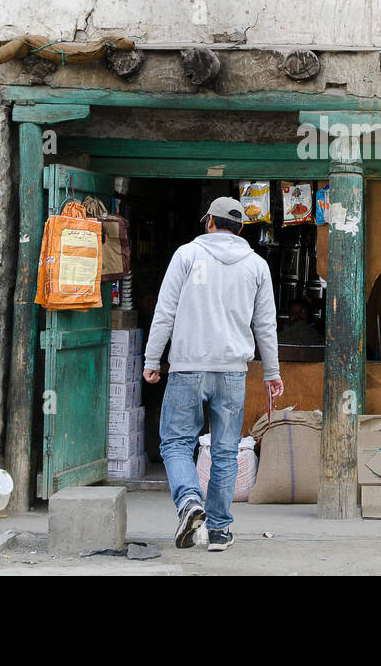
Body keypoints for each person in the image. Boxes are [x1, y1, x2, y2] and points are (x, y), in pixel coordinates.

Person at [143, 197, 283, 552]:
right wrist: (272, 371)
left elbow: (165, 312)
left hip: (188, 367)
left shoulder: (186, 255)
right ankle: (219, 531)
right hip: (232, 372)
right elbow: (265, 324)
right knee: (224, 451)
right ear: (240, 229)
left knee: (176, 442)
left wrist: (151, 359)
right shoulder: (256, 265)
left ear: (209, 222)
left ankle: (190, 502)